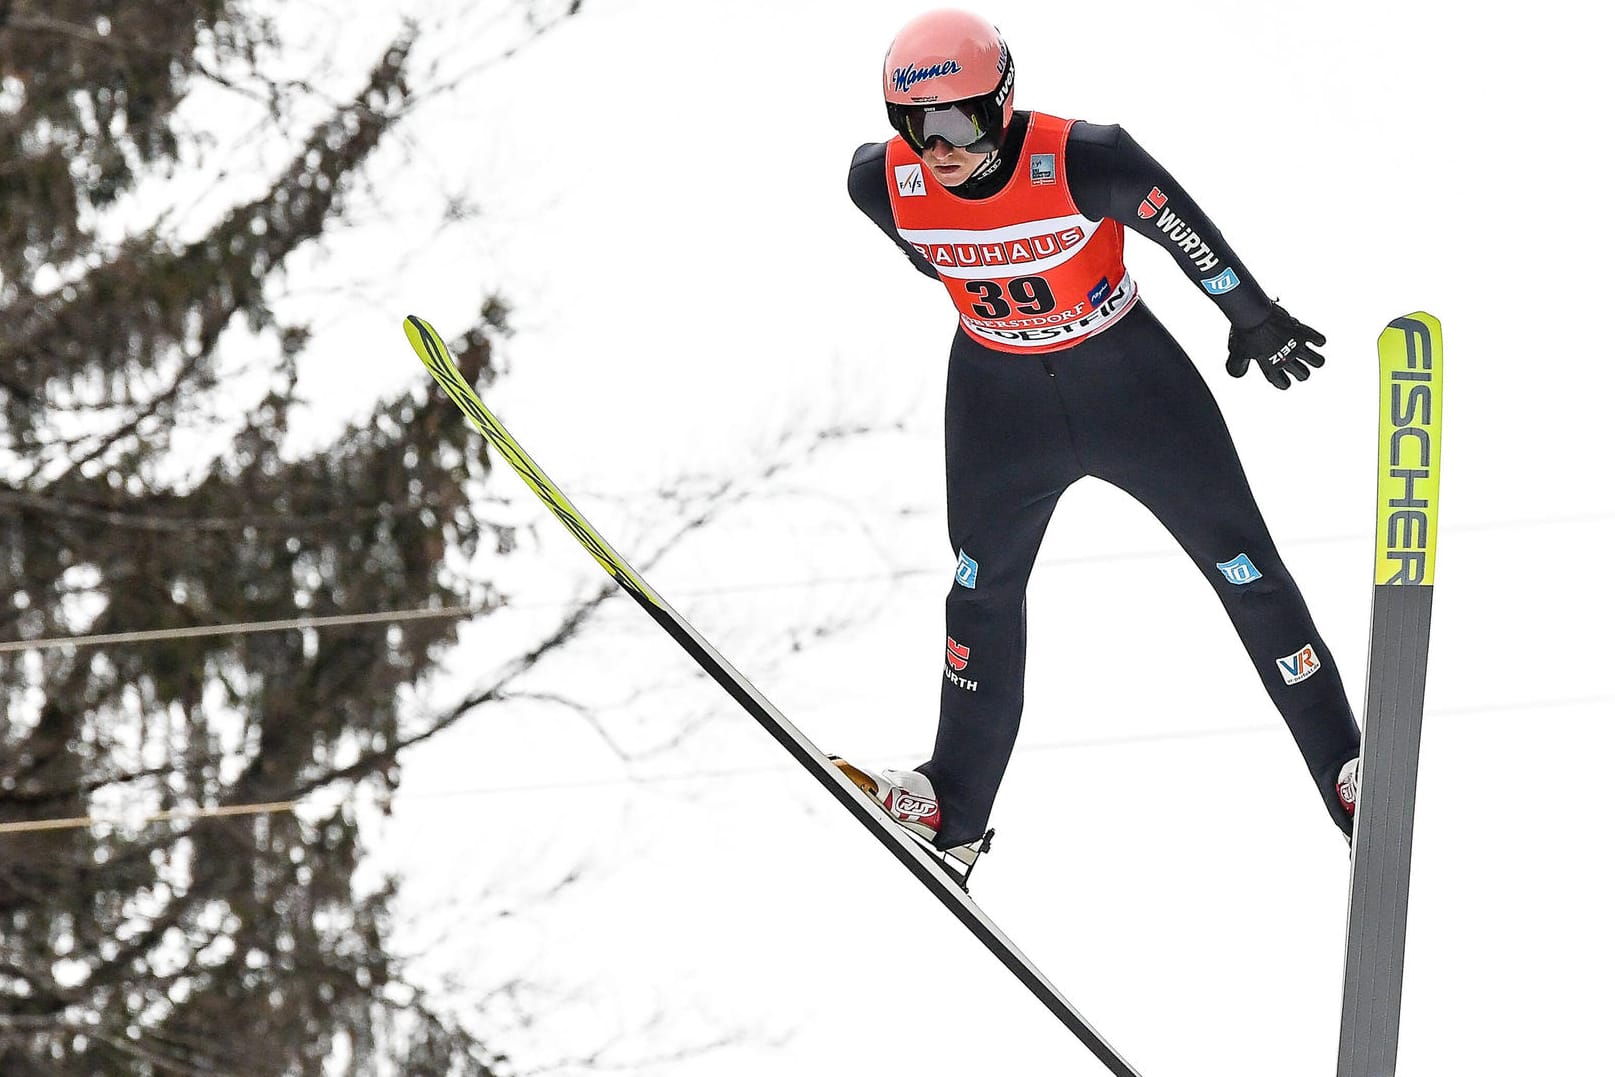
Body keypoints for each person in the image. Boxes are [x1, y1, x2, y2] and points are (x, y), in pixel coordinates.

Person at [834, 8, 1362, 864]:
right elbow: (932, 250)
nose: (936, 147)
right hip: (997, 399)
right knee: (978, 589)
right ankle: (953, 807)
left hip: (1128, 383)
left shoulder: (1087, 158)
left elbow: (1186, 233)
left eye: (956, 119)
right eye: (912, 126)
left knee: (1244, 566)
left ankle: (1346, 769)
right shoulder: (876, 182)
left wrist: (1252, 318)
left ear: (1001, 102)